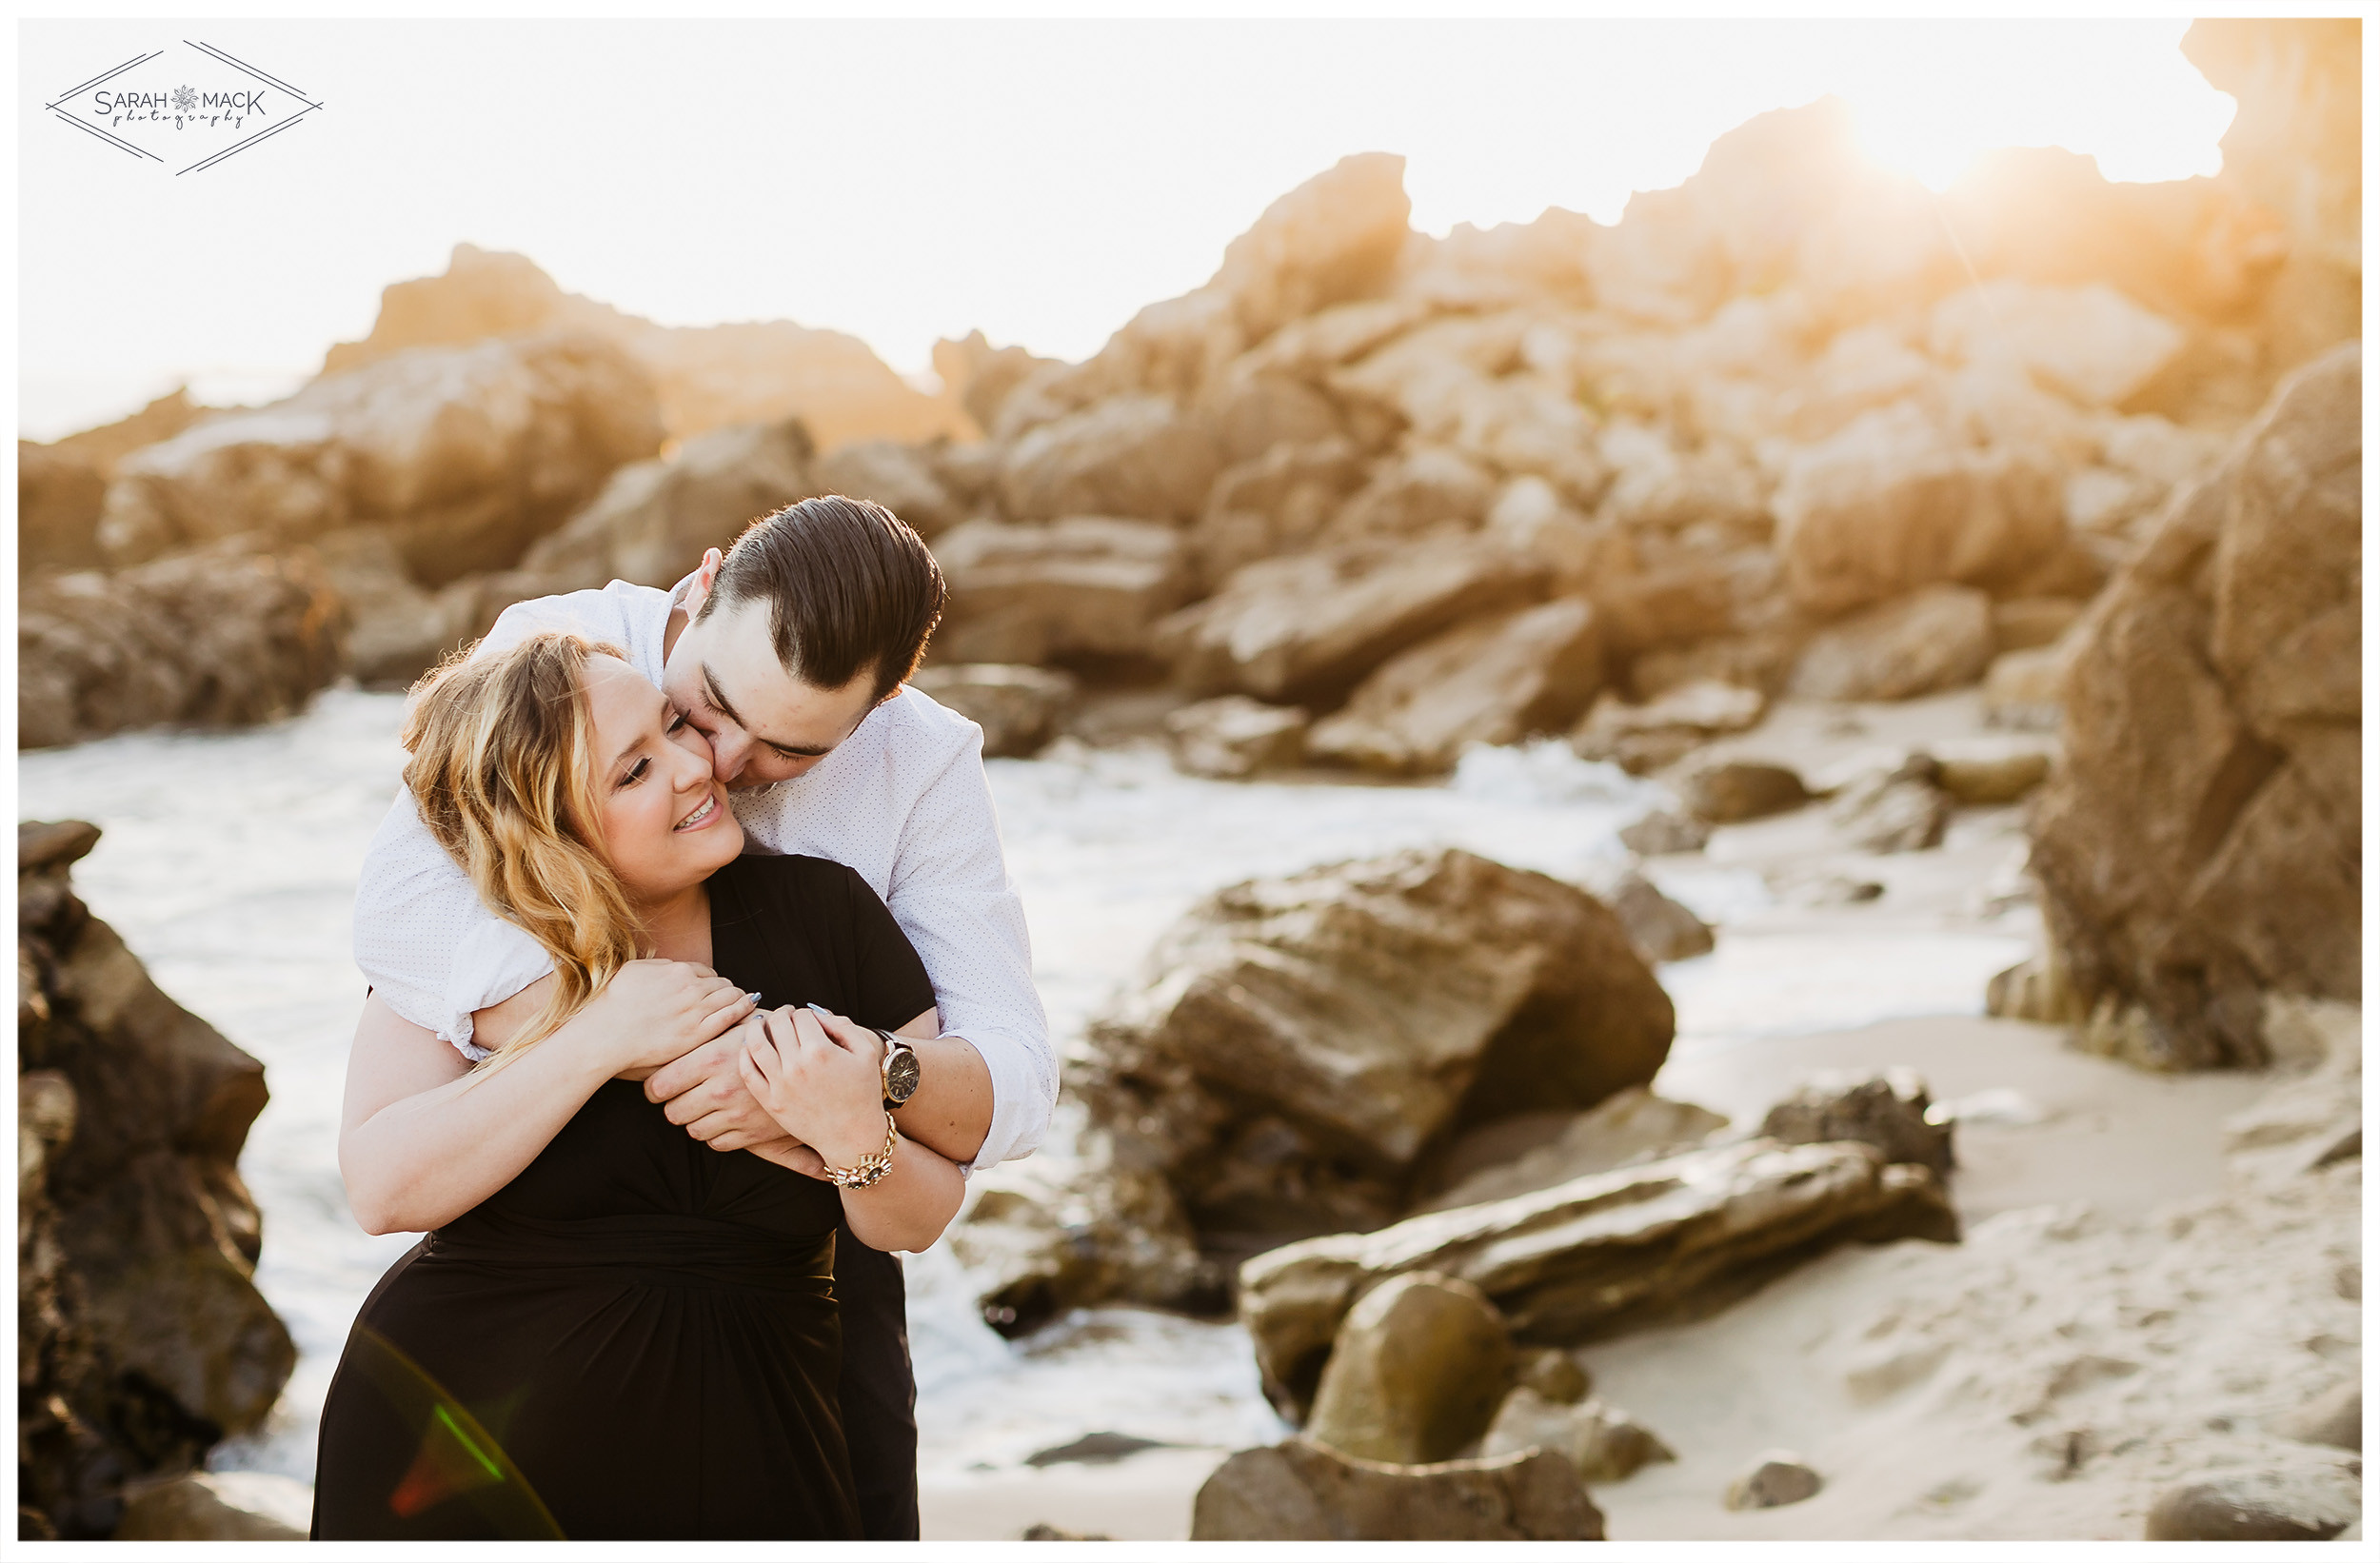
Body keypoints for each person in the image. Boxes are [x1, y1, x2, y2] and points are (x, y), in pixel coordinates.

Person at [347, 495, 1054, 1537]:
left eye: (787, 751)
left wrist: (851, 1081)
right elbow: (402, 916)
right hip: (480, 1404)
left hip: (792, 1318)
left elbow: (1013, 1087)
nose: (714, 764)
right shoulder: (561, 658)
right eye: (697, 711)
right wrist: (646, 1037)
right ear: (706, 580)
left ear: (881, 709)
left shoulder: (910, 781)